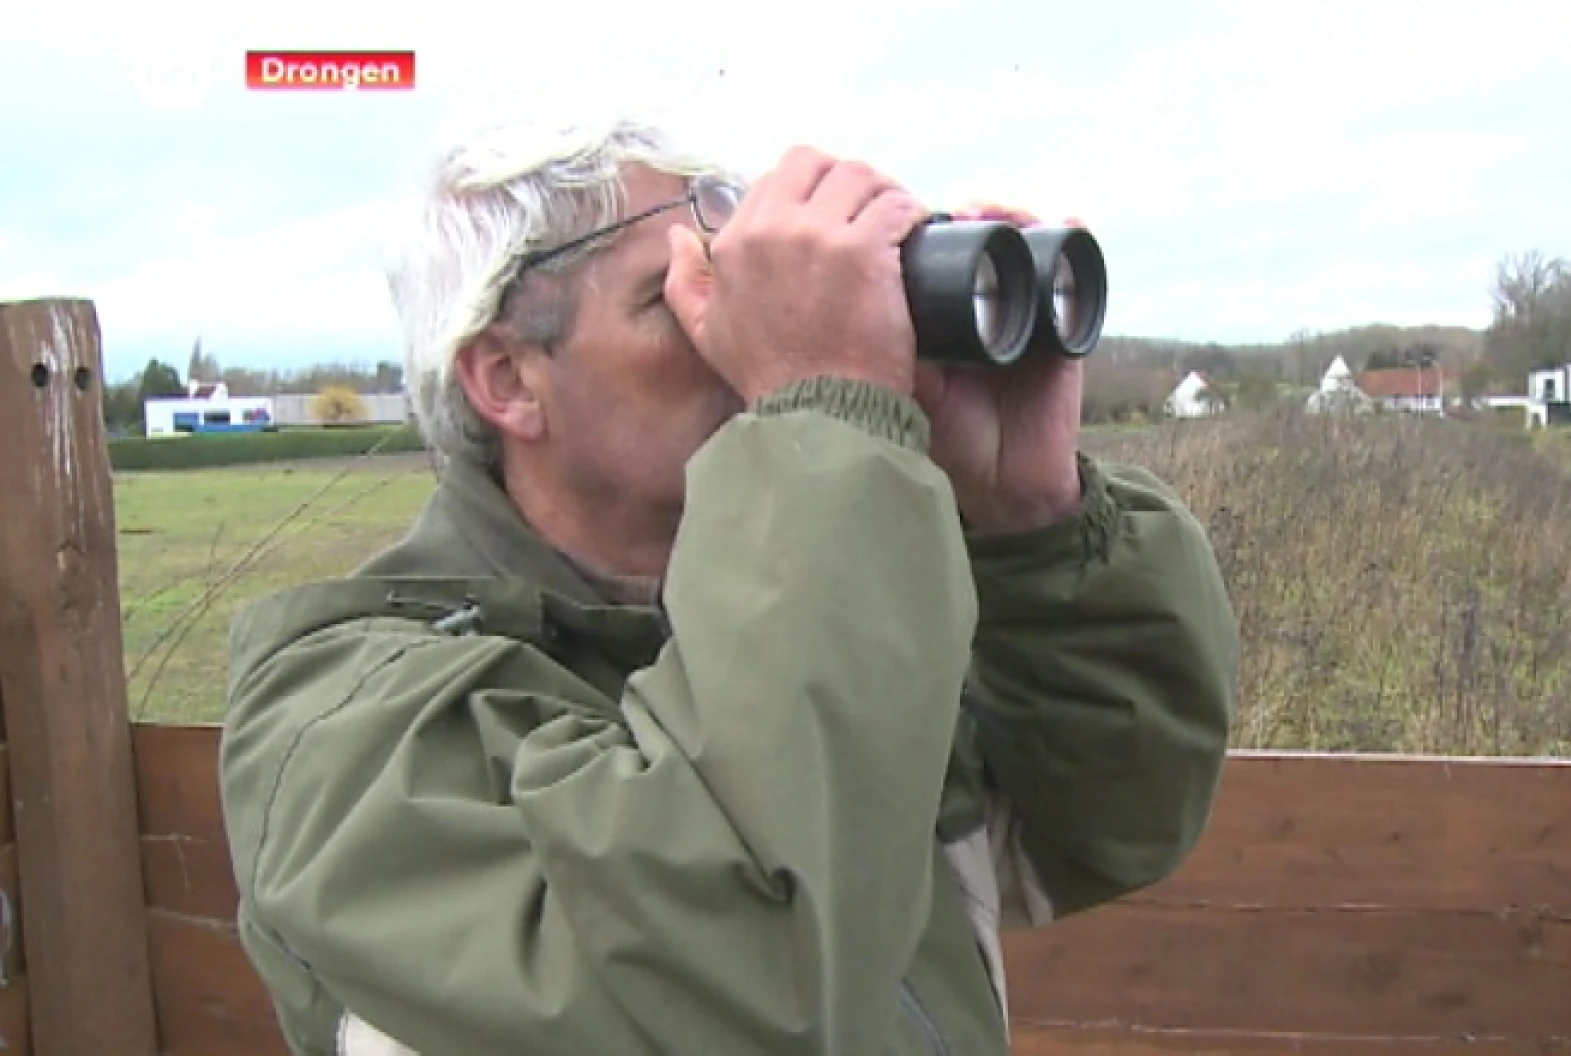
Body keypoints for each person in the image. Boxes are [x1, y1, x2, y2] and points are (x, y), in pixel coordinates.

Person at [219, 111, 1239, 1056]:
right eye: (684, 294)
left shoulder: (806, 610)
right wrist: (823, 414)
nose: (737, 340)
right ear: (509, 379)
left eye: (747, 291)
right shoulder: (348, 731)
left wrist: (1032, 523)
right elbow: (739, 985)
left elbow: (1115, 819)